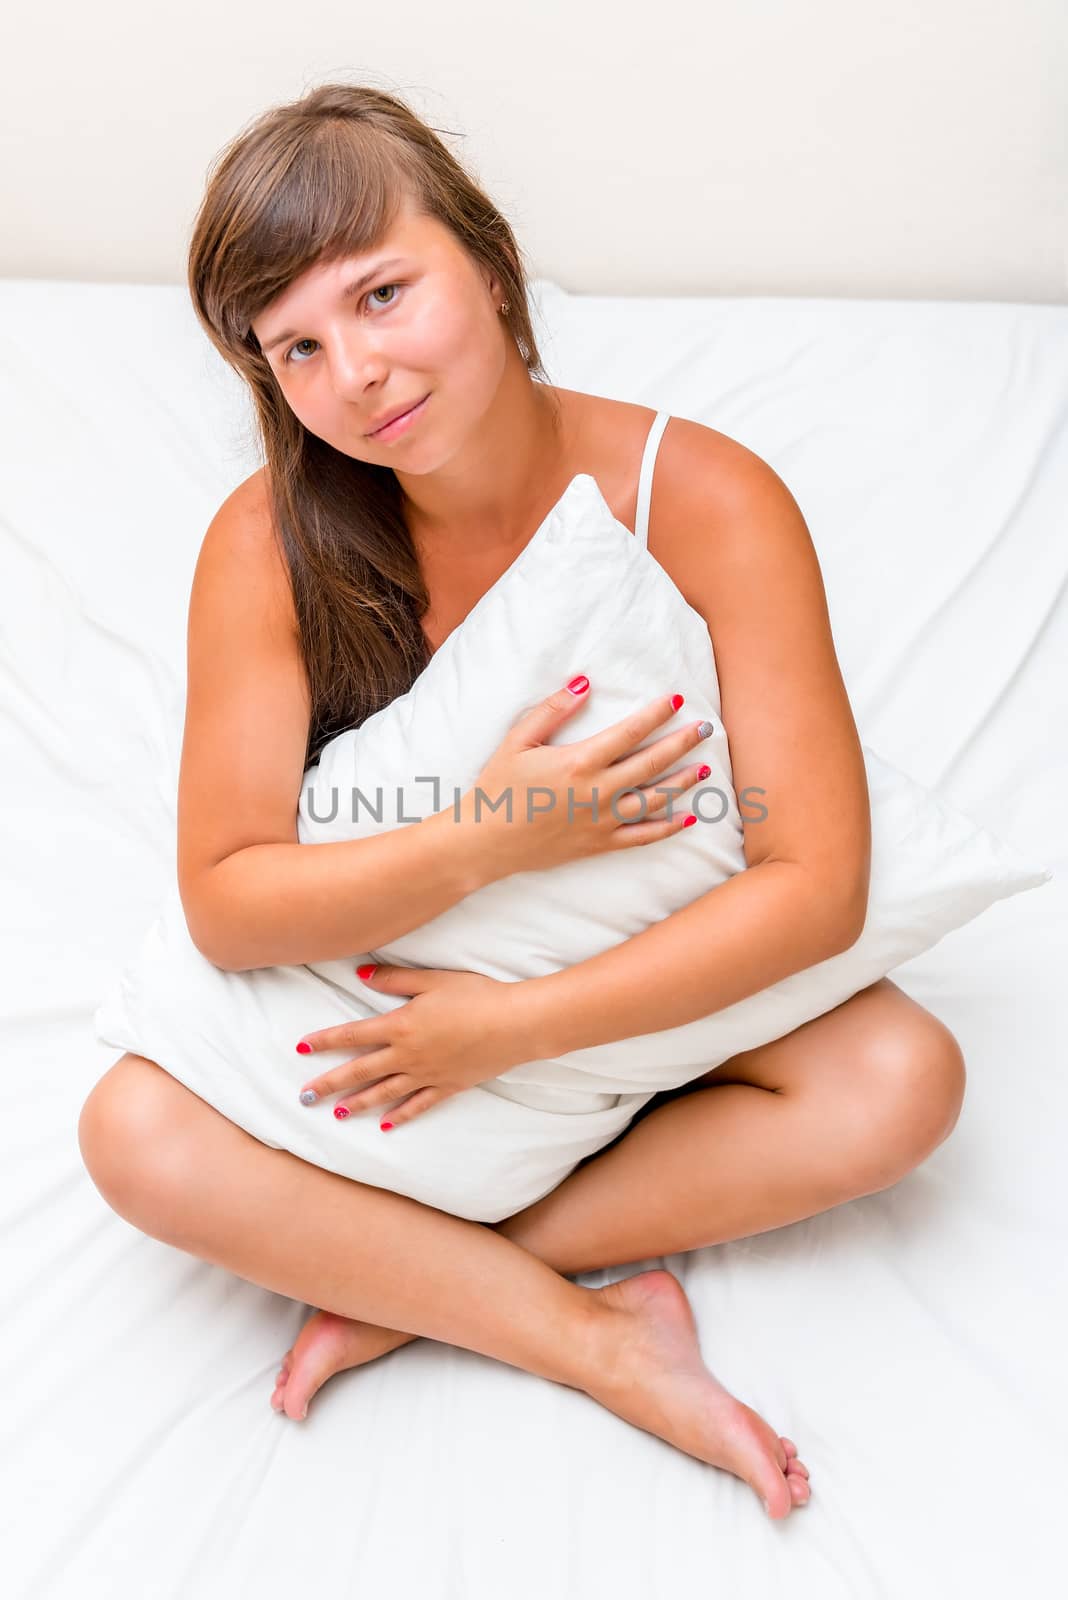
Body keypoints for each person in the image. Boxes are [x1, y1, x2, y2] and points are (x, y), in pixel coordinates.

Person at [77, 82, 967, 1522]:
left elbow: (819, 883)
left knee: (903, 1079)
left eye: (382, 295)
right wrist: (490, 837)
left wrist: (510, 1031)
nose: (353, 373)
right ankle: (595, 1338)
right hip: (427, 1005)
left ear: (488, 267)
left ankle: (427, 1280)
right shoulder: (268, 539)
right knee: (130, 1133)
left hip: (605, 1003)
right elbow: (227, 901)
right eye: (296, 345)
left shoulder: (712, 497)